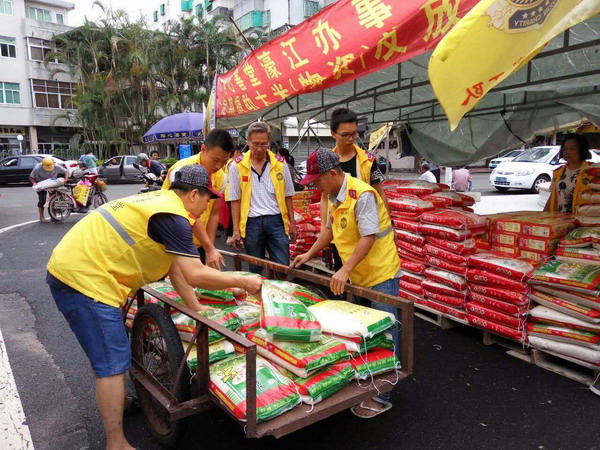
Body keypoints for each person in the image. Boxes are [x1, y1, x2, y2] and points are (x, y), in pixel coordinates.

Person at [46, 165, 263, 450]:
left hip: (75, 269)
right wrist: (243, 280)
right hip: (85, 281)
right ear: (193, 194)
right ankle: (116, 443)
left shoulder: (158, 202)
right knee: (112, 362)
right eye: (207, 200)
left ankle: (118, 400)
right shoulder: (173, 217)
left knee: (104, 350)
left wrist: (195, 306)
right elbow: (195, 274)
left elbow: (175, 268)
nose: (206, 209)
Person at [291, 148, 401, 419]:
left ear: (332, 173)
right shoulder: (334, 196)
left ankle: (383, 394)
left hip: (380, 272)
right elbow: (330, 229)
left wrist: (344, 269)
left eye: (317, 180)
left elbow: (368, 236)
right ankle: (369, 381)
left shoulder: (362, 195)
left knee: (386, 334)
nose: (315, 186)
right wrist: (309, 253)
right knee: (366, 333)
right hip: (360, 274)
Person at [322, 108, 388, 273]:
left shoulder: (367, 161)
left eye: (354, 133)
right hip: (340, 231)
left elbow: (379, 192)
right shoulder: (327, 162)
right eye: (345, 135)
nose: (350, 139)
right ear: (333, 134)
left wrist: (387, 223)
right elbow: (324, 198)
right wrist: (324, 229)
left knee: (365, 271)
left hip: (364, 229)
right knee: (342, 274)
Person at [228, 121, 296, 273]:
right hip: (252, 223)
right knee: (255, 268)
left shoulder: (280, 164)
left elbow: (288, 195)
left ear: (269, 142)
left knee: (282, 267)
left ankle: (279, 288)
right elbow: (235, 200)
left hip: (277, 220)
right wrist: (236, 230)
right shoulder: (236, 166)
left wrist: (292, 223)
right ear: (248, 141)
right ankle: (257, 289)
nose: (259, 149)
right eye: (255, 144)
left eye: (264, 144)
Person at [162, 129, 234, 269]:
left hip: (199, 241)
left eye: (224, 162)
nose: (218, 166)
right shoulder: (182, 170)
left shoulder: (221, 177)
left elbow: (214, 214)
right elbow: (190, 213)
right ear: (203, 149)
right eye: (215, 160)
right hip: (173, 241)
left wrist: (209, 248)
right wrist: (209, 248)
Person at [545, 134, 592, 214]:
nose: (567, 152)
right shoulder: (558, 172)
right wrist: (543, 215)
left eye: (572, 149)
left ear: (582, 150)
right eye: (565, 149)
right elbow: (552, 196)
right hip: (559, 219)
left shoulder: (592, 171)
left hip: (583, 219)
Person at [29, 157, 69, 223]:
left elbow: (66, 171)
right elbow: (31, 177)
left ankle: (53, 216)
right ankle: (41, 217)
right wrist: (34, 183)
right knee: (42, 200)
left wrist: (66, 179)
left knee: (53, 200)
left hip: (52, 183)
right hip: (41, 184)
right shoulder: (37, 168)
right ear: (42, 165)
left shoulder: (56, 166)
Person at [225, 145, 244, 246]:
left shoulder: (234, 162)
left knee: (235, 216)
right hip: (230, 192)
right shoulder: (231, 163)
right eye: (237, 152)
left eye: (239, 152)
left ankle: (233, 236)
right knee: (233, 216)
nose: (239, 154)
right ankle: (231, 236)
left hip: (234, 192)